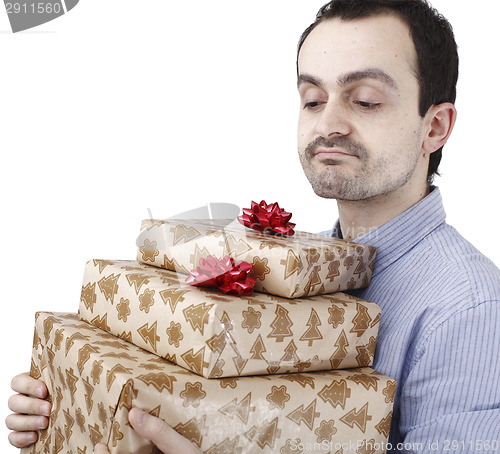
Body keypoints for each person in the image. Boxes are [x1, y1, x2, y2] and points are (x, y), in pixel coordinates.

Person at [7, 0, 500, 452]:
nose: (328, 122)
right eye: (312, 97)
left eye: (365, 100)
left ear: (434, 127)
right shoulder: (296, 273)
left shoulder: (469, 307)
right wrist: (77, 411)